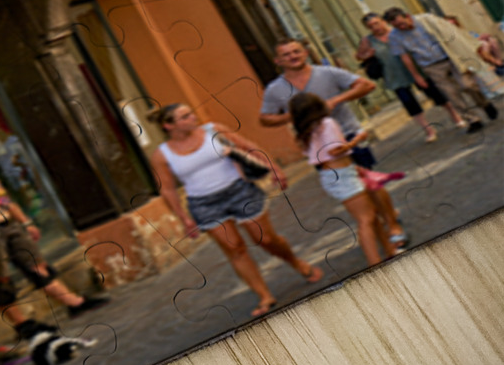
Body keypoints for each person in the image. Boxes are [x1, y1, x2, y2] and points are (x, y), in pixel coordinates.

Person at [150, 104, 321, 318]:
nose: (193, 117)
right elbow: (166, 189)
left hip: (240, 192)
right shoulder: (162, 155)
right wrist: (183, 218)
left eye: (191, 113)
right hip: (204, 204)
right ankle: (264, 295)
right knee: (235, 249)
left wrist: (275, 169)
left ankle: (296, 263)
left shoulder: (213, 130)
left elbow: (249, 147)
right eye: (185, 116)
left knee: (266, 239)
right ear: (169, 125)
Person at [0, 143, 108, 325]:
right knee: (1, 278)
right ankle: (22, 324)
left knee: (37, 265)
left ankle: (74, 303)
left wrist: (26, 222)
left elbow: (8, 202)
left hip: (9, 225)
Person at [290, 93, 397, 266]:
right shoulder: (326, 123)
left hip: (336, 174)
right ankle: (375, 263)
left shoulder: (307, 132)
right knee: (366, 218)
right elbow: (335, 150)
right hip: (341, 175)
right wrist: (357, 140)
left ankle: (389, 250)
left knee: (371, 215)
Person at [260, 38, 381, 168]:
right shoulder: (274, 89)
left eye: (296, 52)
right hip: (317, 145)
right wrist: (295, 115)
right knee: (340, 186)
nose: (293, 56)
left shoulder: (328, 72)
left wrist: (335, 101)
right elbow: (266, 119)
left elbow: (367, 85)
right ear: (277, 61)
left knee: (371, 181)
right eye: (286, 54)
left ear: (305, 53)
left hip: (348, 134)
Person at [383, 8, 499, 133]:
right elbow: (404, 57)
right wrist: (416, 76)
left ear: (407, 16)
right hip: (430, 65)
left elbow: (453, 35)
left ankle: (484, 103)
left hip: (450, 57)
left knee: (468, 85)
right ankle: (472, 119)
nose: (401, 27)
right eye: (397, 26)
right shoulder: (395, 36)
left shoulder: (427, 20)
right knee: (451, 93)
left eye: (402, 23)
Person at [356, 12, 451, 143]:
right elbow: (359, 56)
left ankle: (456, 116)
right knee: (410, 103)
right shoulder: (368, 40)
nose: (375, 27)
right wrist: (368, 54)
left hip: (415, 70)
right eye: (371, 26)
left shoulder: (396, 32)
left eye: (376, 23)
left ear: (383, 21)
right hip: (394, 76)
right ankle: (428, 130)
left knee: (436, 93)